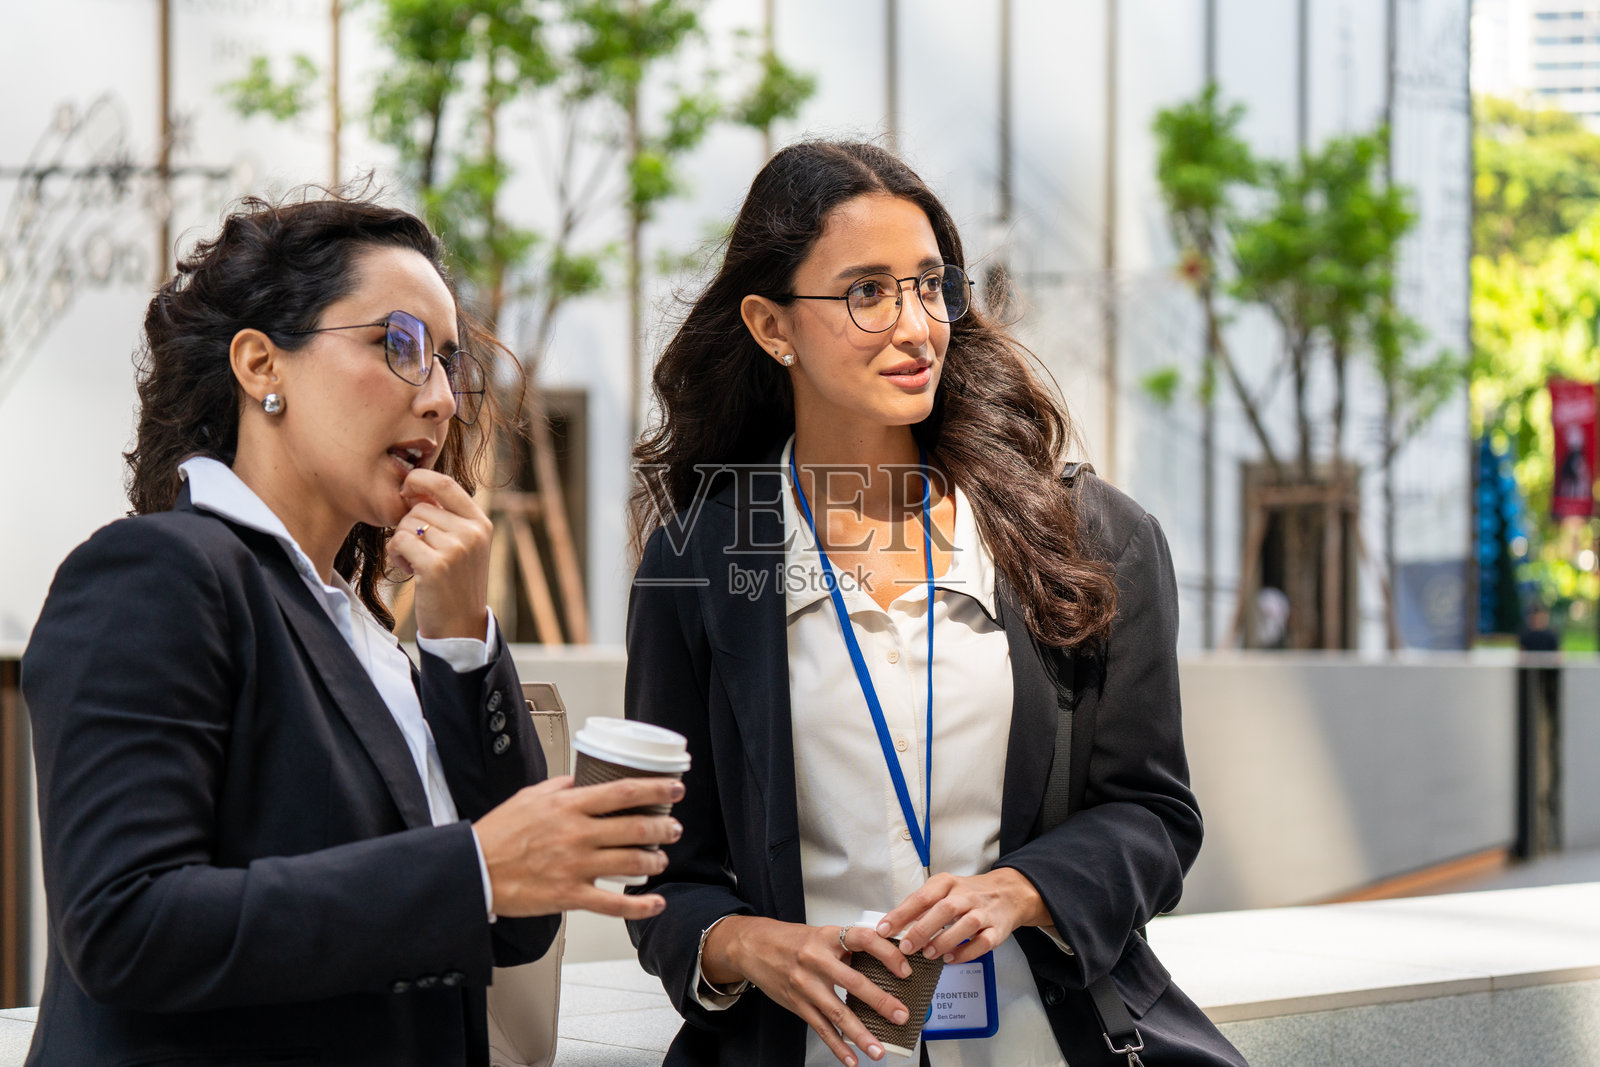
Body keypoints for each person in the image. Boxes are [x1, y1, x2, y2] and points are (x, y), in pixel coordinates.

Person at [22, 193, 683, 1067]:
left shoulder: (362, 628)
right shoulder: (159, 572)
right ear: (263, 365)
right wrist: (472, 868)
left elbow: (520, 926)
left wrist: (460, 636)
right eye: (399, 346)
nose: (442, 398)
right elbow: (123, 924)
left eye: (450, 364)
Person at [623, 140, 1245, 1067]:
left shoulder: (1082, 535)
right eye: (867, 292)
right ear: (771, 325)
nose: (917, 325)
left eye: (930, 285)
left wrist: (1025, 888)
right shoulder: (710, 549)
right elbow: (664, 862)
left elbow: (1153, 814)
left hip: (1045, 1043)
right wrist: (748, 944)